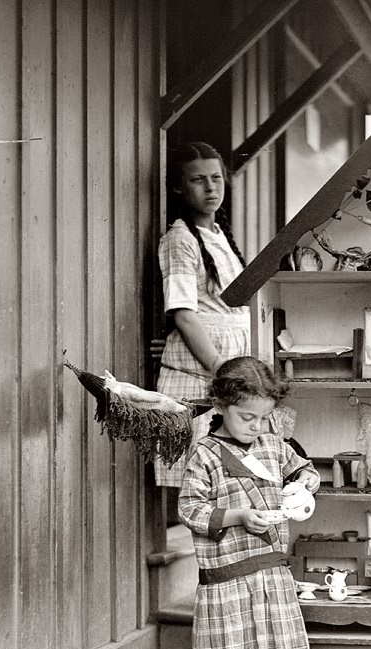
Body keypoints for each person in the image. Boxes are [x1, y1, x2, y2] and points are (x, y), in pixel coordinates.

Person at [179, 356, 321, 649]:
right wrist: (238, 514)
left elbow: (304, 468)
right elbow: (189, 508)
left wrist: (305, 484)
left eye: (264, 418)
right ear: (221, 405)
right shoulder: (205, 453)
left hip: (269, 574)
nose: (256, 426)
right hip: (225, 578)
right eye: (246, 417)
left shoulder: (274, 446)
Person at [155, 142, 251, 488]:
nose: (211, 188)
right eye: (198, 180)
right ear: (180, 187)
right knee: (202, 476)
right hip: (204, 370)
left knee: (234, 475)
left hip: (233, 360)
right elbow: (183, 315)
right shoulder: (180, 239)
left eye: (216, 178)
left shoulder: (219, 234)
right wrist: (221, 369)